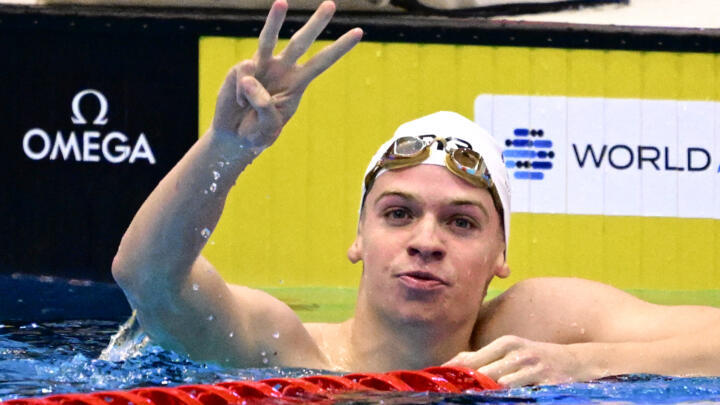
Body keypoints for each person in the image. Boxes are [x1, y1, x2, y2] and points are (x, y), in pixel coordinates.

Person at [112, 0, 720, 387]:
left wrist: (582, 364)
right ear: (359, 237)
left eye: (462, 223)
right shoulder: (281, 350)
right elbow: (148, 277)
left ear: (500, 256)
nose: (425, 242)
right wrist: (226, 147)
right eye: (399, 213)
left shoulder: (533, 330)